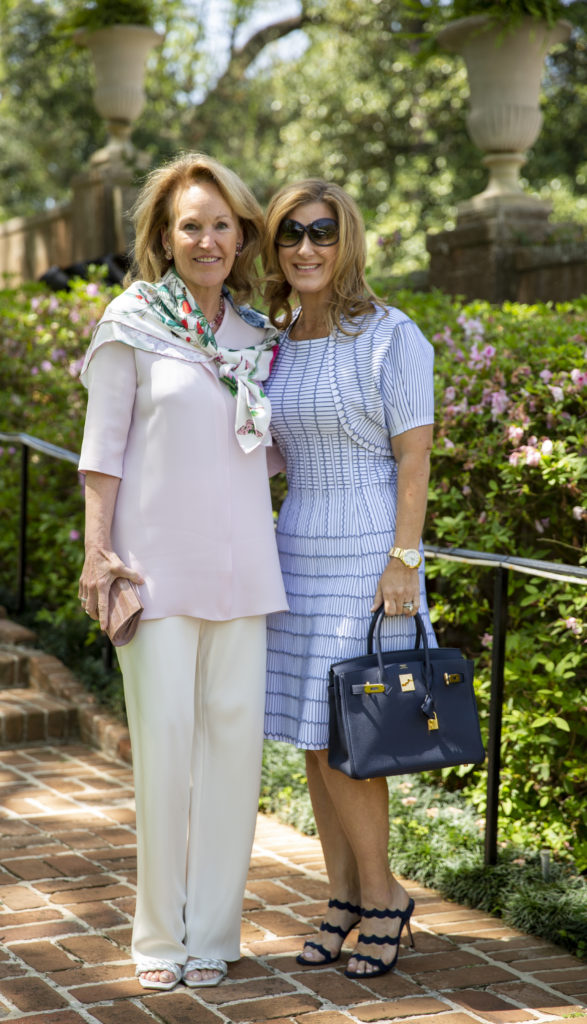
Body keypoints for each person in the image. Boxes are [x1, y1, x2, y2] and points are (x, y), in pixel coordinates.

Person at [77, 152, 287, 991]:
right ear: (165, 238)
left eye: (221, 225)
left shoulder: (258, 337)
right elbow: (102, 453)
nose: (207, 238)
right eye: (189, 225)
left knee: (234, 757)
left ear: (242, 237)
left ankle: (214, 933)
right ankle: (157, 939)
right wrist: (99, 553)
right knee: (164, 755)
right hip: (152, 574)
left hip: (244, 571)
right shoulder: (129, 321)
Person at [262, 179, 437, 979]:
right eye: (289, 234)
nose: (305, 247)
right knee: (311, 737)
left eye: (320, 232)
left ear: (346, 241)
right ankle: (339, 897)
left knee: (350, 741)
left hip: (371, 556)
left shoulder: (389, 334)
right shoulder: (273, 338)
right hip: (293, 553)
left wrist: (404, 560)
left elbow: (413, 454)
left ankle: (383, 898)